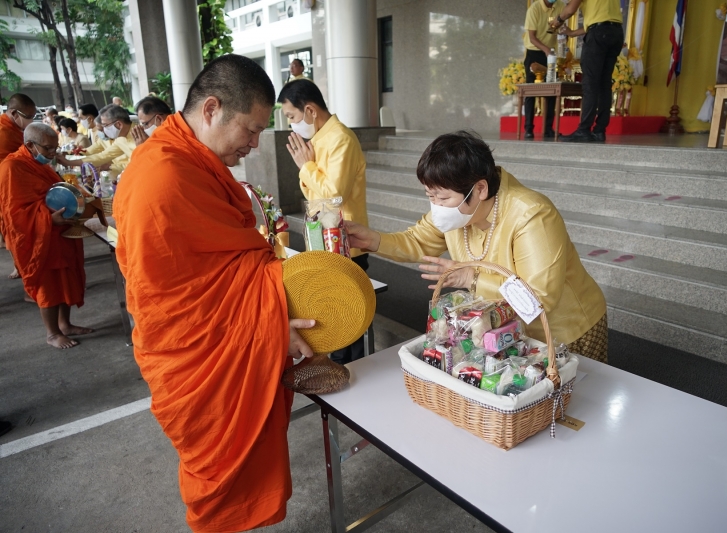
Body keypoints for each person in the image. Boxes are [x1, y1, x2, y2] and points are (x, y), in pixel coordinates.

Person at [114, 54, 315, 532]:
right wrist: (267, 324)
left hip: (221, 336)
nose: (253, 143)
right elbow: (173, 299)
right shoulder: (163, 175)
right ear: (211, 109)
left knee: (236, 477)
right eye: (250, 130)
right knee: (217, 478)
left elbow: (227, 259)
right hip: (195, 354)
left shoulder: (189, 158)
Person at [346, 131, 609, 361]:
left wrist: (470, 277)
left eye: (443, 197)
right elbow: (417, 240)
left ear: (480, 189)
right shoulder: (459, 211)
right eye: (430, 196)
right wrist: (374, 240)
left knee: (567, 404)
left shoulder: (531, 214)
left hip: (565, 329)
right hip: (504, 328)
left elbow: (539, 297)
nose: (436, 207)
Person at [278, 78, 369, 365]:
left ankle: (354, 374)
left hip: (346, 242)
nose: (292, 124)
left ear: (310, 111)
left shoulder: (341, 138)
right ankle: (342, 369)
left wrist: (306, 166)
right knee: (332, 314)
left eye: (292, 116)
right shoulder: (317, 141)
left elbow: (333, 196)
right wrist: (308, 167)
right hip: (325, 239)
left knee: (349, 317)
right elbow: (313, 194)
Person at [0, 123, 93, 349]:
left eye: (55, 149)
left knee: (65, 279)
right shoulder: (12, 167)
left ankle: (65, 324)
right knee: (49, 284)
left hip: (59, 232)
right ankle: (52, 333)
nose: (52, 154)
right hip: (38, 235)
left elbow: (53, 191)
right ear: (30, 145)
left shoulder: (38, 164)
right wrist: (48, 220)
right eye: (48, 149)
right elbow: (14, 213)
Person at [551, 0, 623, 143]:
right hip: (616, 33)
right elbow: (597, 22)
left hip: (598, 34)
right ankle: (599, 130)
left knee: (590, 83)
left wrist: (557, 21)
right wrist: (572, 33)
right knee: (604, 84)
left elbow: (571, 9)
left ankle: (584, 130)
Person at [0, 93, 37, 277]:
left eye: (33, 117)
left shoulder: (15, 129)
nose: (30, 121)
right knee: (15, 226)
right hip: (9, 187)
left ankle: (22, 263)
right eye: (28, 117)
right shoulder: (4, 133)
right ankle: (22, 265)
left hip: (19, 183)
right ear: (14, 113)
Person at [57, 104, 136, 179]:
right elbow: (101, 156)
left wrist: (111, 167)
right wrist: (69, 161)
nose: (104, 131)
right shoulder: (120, 138)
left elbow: (136, 163)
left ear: (118, 124)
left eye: (105, 125)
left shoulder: (140, 135)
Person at [523, 0, 565, 139]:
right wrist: (546, 49)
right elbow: (532, 37)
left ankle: (548, 129)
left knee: (551, 92)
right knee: (530, 92)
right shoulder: (534, 9)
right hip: (534, 52)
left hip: (551, 53)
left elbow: (562, 26)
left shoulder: (560, 6)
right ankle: (528, 129)